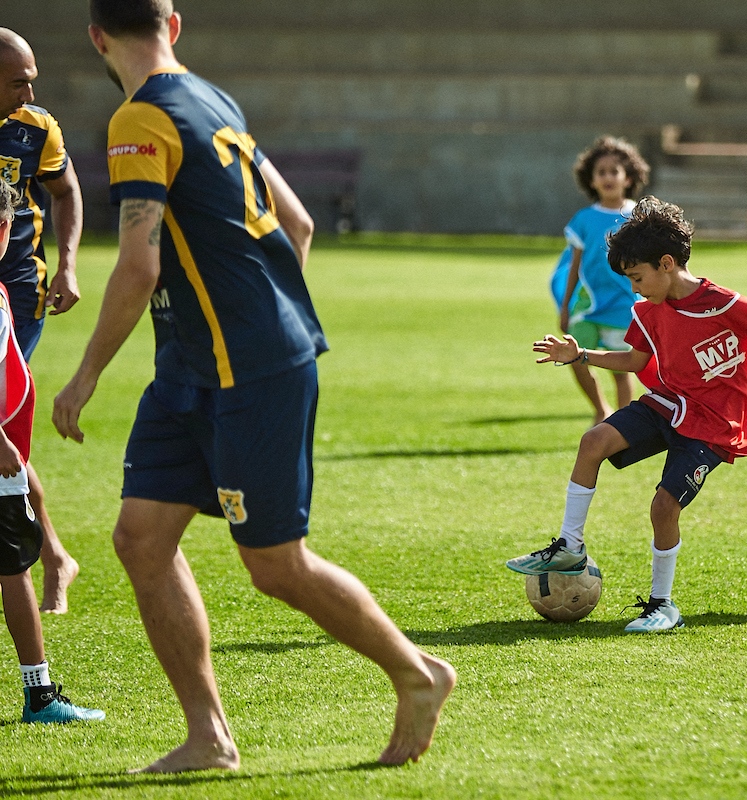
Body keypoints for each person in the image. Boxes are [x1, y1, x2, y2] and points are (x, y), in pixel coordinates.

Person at [52, 0, 454, 772]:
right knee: (140, 539)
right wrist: (263, 311)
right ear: (174, 25)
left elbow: (141, 265)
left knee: (275, 566)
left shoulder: (139, 120)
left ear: (97, 37)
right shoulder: (212, 98)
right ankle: (209, 738)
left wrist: (85, 375)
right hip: (192, 372)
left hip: (249, 373)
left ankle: (419, 673)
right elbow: (297, 223)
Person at [508, 197, 747, 632]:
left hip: (711, 426)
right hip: (666, 404)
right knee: (593, 441)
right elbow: (634, 362)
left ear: (666, 263)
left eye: (637, 276)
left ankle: (662, 604)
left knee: (663, 507)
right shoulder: (648, 312)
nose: (634, 288)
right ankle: (569, 546)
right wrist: (580, 356)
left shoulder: (724, 304)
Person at [0, 181, 103, 725]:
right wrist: (4, 450)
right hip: (0, 462)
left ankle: (39, 693)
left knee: (15, 565)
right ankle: (39, 695)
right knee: (14, 566)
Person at [0, 28, 82, 615]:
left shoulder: (35, 128)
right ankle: (51, 555)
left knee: (2, 430)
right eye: (17, 79)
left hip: (18, 294)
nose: (30, 89)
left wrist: (70, 265)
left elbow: (66, 191)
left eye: (32, 77)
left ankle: (48, 555)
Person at [550, 136, 649, 424]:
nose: (608, 177)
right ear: (591, 180)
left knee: (622, 371)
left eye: (614, 171)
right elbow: (573, 266)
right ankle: (600, 408)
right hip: (588, 306)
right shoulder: (583, 219)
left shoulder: (637, 216)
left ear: (627, 177)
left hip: (625, 307)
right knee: (573, 356)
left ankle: (621, 423)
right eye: (601, 172)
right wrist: (565, 306)